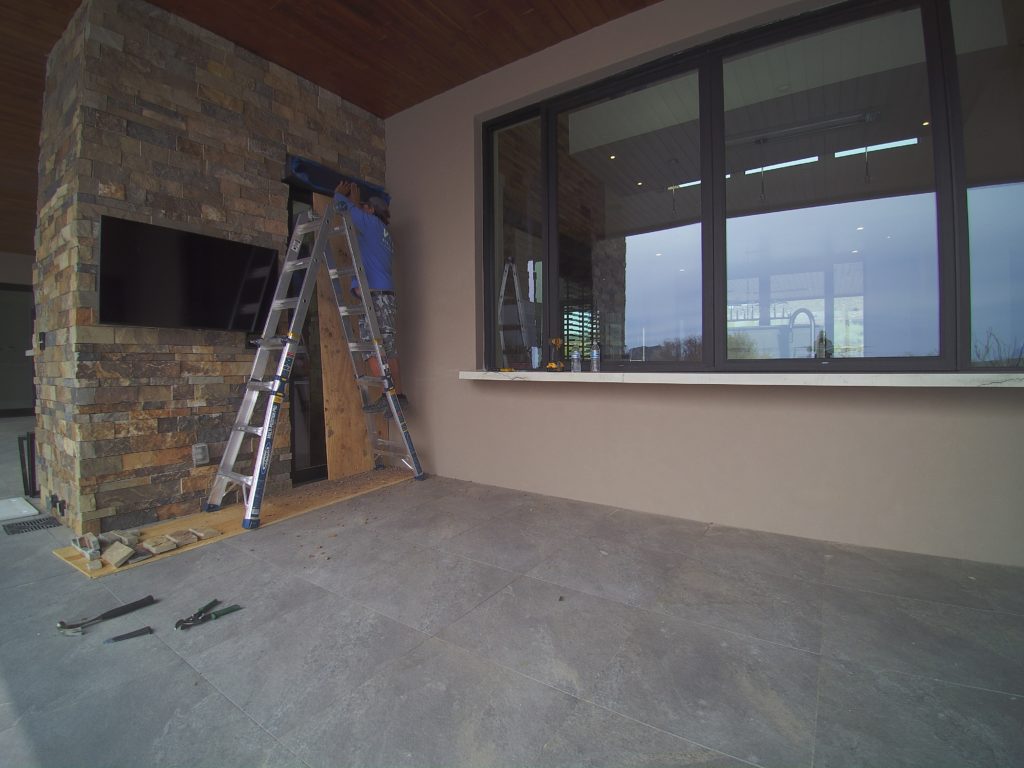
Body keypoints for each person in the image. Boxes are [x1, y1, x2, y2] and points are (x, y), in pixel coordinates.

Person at [333, 180, 407, 413]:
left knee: (371, 348)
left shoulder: (372, 224)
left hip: (376, 299)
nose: (361, 209)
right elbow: (357, 216)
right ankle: (398, 395)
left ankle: (390, 395)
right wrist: (357, 202)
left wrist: (339, 194)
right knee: (388, 349)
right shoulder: (381, 231)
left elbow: (344, 209)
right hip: (384, 298)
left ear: (371, 210)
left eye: (364, 206)